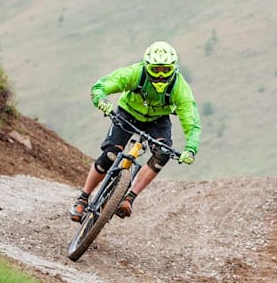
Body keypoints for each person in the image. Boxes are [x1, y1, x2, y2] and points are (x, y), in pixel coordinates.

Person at [70, 41, 200, 221]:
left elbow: (191, 121)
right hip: (128, 113)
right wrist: (100, 99)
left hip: (158, 120)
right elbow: (102, 86)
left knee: (162, 153)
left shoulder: (180, 88)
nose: (161, 76)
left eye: (165, 70)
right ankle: (83, 198)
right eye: (156, 70)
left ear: (174, 69)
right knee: (110, 155)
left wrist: (191, 148)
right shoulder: (135, 73)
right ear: (147, 67)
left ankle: (129, 198)